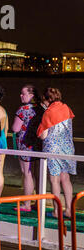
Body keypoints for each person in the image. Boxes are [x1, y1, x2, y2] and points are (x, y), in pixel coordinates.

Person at [37, 88, 76, 218]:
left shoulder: (48, 112)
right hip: (68, 148)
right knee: (66, 179)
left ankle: (56, 211)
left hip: (52, 149)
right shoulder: (66, 108)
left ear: (48, 99)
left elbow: (43, 135)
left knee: (54, 180)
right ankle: (69, 210)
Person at [12, 85, 44, 211]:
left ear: (31, 95)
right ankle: (39, 202)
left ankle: (26, 204)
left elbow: (15, 128)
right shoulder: (40, 109)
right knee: (37, 174)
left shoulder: (23, 110)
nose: (20, 95)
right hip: (37, 145)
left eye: (23, 93)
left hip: (25, 145)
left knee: (27, 174)